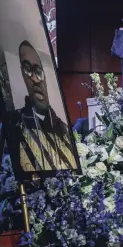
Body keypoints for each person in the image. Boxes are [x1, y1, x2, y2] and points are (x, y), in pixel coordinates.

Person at [7, 40, 77, 172]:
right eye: (28, 70)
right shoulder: (14, 122)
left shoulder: (63, 126)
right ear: (22, 74)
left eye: (38, 71)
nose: (35, 78)